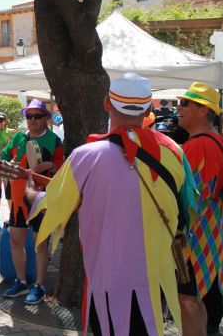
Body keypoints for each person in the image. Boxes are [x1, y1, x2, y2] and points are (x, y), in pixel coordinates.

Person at [30, 72, 193, 335]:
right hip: (156, 282)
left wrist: (29, 189)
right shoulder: (174, 151)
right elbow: (185, 210)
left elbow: (47, 205)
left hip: (106, 286)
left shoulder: (85, 156)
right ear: (150, 109)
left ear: (107, 103)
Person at [176, 82, 223, 335]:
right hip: (211, 238)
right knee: (198, 302)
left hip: (194, 242)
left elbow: (188, 202)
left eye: (185, 103)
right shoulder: (217, 141)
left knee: (188, 303)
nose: (179, 108)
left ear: (203, 110)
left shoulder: (198, 146)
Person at [1, 98, 64, 305]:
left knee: (40, 243)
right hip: (18, 199)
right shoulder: (17, 137)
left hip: (41, 199)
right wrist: (7, 166)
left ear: (46, 118)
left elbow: (60, 166)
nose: (33, 120)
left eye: (37, 116)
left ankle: (39, 285)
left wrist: (45, 165)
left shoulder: (54, 140)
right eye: (29, 116)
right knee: (16, 240)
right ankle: (21, 282)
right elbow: (3, 156)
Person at [0, 112, 14, 213]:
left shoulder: (11, 132)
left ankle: (12, 218)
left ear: (5, 121)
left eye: (1, 120)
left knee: (9, 192)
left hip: (8, 165)